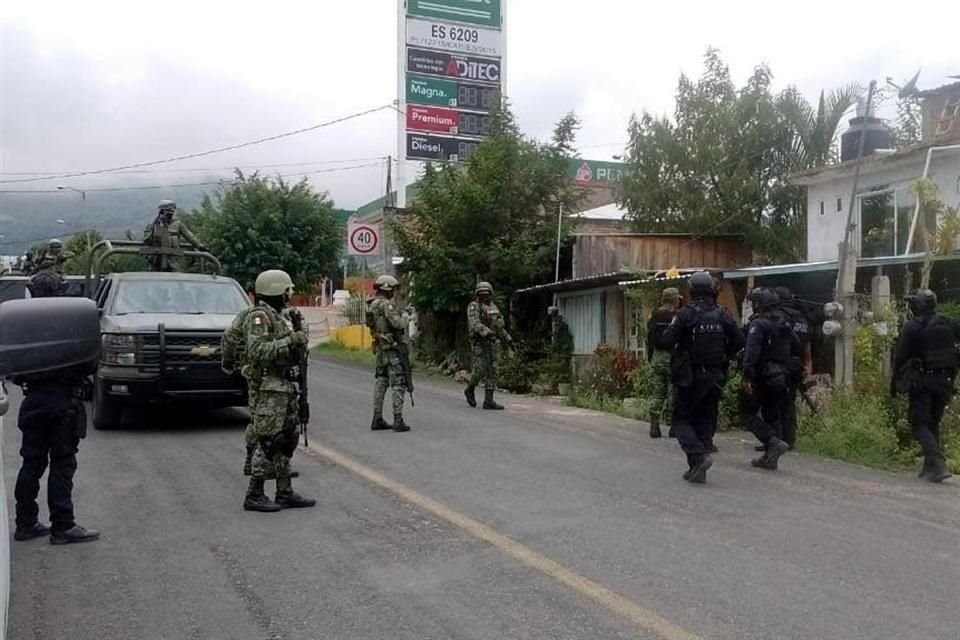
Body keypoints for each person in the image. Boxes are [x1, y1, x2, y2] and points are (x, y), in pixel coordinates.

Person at [10, 270, 100, 544]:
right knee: (62, 464)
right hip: (63, 402)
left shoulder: (21, 324)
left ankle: (25, 524)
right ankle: (63, 525)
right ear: (60, 291)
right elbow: (90, 362)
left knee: (31, 464)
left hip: (33, 401)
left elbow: (13, 368)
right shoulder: (69, 321)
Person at [659, 271, 743, 484]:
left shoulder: (686, 314)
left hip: (690, 375)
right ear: (712, 290)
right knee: (706, 417)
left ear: (692, 290)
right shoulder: (723, 313)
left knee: (681, 420)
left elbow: (666, 341)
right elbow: (740, 341)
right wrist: (725, 355)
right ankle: (698, 465)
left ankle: (698, 457)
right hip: (716, 374)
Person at [242, 269, 315, 512]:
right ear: (275, 290)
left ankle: (284, 491)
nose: (290, 294)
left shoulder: (280, 316)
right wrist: (290, 341)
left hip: (284, 387)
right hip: (270, 387)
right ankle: (254, 492)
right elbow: (257, 350)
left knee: (287, 439)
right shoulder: (260, 316)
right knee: (270, 441)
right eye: (287, 290)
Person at [891, 288, 956, 483]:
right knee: (933, 423)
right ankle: (930, 469)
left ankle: (937, 463)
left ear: (917, 306)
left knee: (919, 423)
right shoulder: (949, 323)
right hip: (946, 381)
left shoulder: (912, 327)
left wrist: (894, 382)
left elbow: (900, 357)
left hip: (923, 382)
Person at [739, 288, 797, 471]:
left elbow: (752, 352)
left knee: (746, 414)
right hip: (781, 376)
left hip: (761, 376)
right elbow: (797, 345)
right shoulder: (785, 323)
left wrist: (747, 375)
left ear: (759, 305)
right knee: (772, 414)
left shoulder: (759, 325)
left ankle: (772, 442)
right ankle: (772, 455)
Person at [368, 275, 412, 433]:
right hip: (392, 350)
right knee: (398, 384)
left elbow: (372, 327)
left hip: (380, 349)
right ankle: (398, 419)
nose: (394, 293)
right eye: (393, 290)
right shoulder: (387, 306)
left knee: (381, 381)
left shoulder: (371, 305)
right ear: (387, 289)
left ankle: (377, 417)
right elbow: (398, 324)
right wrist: (407, 315)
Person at [772, 286, 812, 449]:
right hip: (797, 365)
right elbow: (808, 345)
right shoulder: (802, 318)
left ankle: (775, 439)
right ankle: (789, 439)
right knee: (789, 402)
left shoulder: (780, 316)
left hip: (781, 365)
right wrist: (807, 364)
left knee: (775, 402)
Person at [464, 281, 513, 410]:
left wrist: (508, 339)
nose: (484, 296)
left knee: (493, 370)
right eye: (482, 294)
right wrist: (487, 333)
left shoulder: (494, 308)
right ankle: (470, 388)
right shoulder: (473, 306)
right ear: (477, 294)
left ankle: (489, 400)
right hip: (479, 342)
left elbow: (499, 326)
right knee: (480, 369)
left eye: (487, 294)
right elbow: (475, 323)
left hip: (492, 342)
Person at [646, 287, 681, 438]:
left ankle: (654, 425)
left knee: (657, 392)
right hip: (672, 357)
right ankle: (673, 426)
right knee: (674, 391)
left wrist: (650, 357)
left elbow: (649, 339)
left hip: (657, 357)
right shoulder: (677, 316)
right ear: (674, 299)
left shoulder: (654, 315)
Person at [143, 200, 205, 271]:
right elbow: (147, 240)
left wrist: (200, 246)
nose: (169, 214)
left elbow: (190, 236)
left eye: (171, 212)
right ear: (161, 212)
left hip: (173, 257)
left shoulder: (177, 224)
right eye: (167, 212)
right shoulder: (153, 224)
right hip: (157, 257)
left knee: (175, 275)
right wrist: (159, 225)